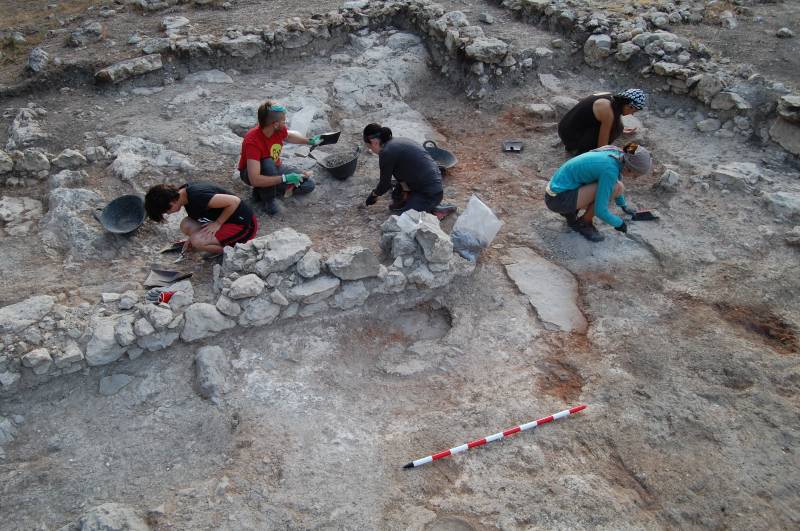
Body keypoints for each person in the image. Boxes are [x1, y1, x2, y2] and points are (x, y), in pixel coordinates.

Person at [544, 143, 652, 242]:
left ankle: (570, 212)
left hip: (558, 191)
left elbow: (617, 180)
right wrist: (619, 223)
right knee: (614, 188)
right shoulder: (609, 170)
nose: (634, 178)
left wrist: (623, 206)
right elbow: (601, 210)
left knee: (616, 186)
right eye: (635, 175)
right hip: (558, 200)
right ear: (628, 168)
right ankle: (584, 223)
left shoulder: (615, 152)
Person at [238, 100, 322, 216]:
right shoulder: (253, 141)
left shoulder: (278, 129)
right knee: (267, 163)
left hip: (275, 168)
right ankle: (268, 201)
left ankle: (261, 191)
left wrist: (309, 141)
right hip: (251, 173)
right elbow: (254, 179)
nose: (285, 122)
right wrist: (284, 178)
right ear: (275, 124)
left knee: (308, 185)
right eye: (283, 120)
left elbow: (289, 136)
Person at [145, 182, 258, 255]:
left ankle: (229, 252)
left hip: (243, 224)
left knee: (197, 241)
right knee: (186, 224)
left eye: (166, 211)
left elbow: (234, 201)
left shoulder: (197, 196)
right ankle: (208, 242)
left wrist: (218, 223)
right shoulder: (183, 195)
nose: (168, 214)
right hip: (224, 220)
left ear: (171, 202)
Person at [362, 123, 445, 214]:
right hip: (427, 183)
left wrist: (374, 195)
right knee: (396, 197)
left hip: (431, 193)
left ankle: (437, 211)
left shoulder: (386, 153)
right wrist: (406, 191)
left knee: (402, 214)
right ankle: (417, 201)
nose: (371, 150)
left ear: (374, 142)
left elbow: (384, 184)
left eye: (369, 147)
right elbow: (398, 172)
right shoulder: (396, 142)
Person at [557, 89, 647, 156]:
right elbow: (602, 147)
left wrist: (620, 129)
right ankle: (577, 150)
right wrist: (622, 151)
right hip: (569, 136)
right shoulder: (607, 111)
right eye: (633, 111)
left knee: (618, 128)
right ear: (629, 106)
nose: (632, 114)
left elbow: (613, 119)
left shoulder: (610, 98)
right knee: (615, 131)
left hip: (566, 126)